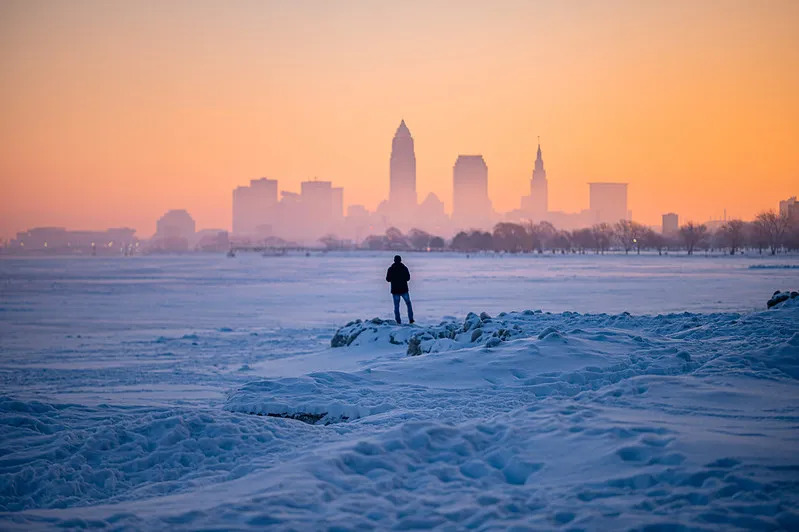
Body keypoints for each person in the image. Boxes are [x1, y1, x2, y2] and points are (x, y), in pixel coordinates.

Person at [386, 255, 414, 324]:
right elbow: (408, 278)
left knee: (396, 306)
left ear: (394, 260)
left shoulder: (391, 269)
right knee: (408, 304)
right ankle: (411, 319)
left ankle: (398, 321)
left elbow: (388, 279)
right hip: (404, 289)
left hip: (395, 290)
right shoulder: (404, 268)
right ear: (400, 260)